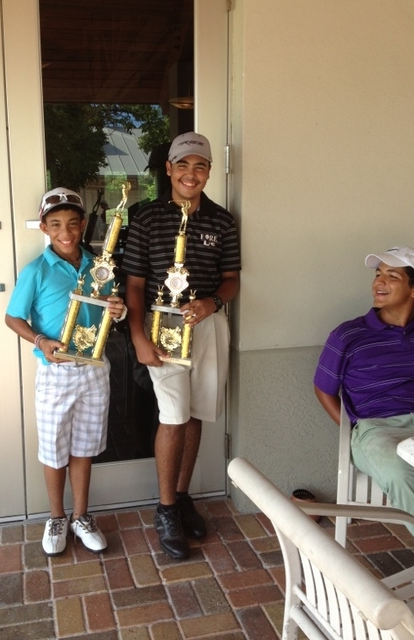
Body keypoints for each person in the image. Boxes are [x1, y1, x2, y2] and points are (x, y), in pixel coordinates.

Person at [121, 132, 241, 559]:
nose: (192, 174)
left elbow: (231, 278)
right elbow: (133, 284)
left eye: (201, 166)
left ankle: (183, 495)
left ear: (208, 172)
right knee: (172, 416)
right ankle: (166, 508)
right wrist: (138, 337)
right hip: (161, 329)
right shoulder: (146, 218)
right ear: (169, 169)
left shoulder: (222, 221)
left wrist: (213, 302)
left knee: (194, 416)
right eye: (184, 165)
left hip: (206, 324)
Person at [5, 187, 126, 556]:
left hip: (94, 368)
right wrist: (41, 341)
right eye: (56, 224)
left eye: (73, 224)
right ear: (44, 227)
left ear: (84, 224)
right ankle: (56, 516)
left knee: (84, 446)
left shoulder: (98, 265)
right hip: (56, 370)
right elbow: (12, 317)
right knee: (55, 447)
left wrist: (116, 310)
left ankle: (81, 515)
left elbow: (107, 308)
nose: (66, 232)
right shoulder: (37, 270)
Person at [314, 245, 414, 542]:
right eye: (378, 274)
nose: (379, 282)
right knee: (401, 471)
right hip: (376, 432)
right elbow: (323, 389)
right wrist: (352, 431)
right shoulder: (348, 335)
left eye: (392, 275)